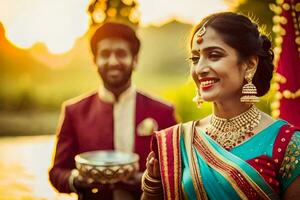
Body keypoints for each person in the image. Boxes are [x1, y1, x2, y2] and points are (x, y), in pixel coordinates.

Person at [142, 12, 300, 200]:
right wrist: (152, 187)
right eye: (195, 59)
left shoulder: (287, 143)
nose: (200, 68)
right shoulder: (178, 142)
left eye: (214, 55)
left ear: (249, 65)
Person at [49, 22, 177, 200]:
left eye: (121, 54)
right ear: (95, 61)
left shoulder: (163, 111)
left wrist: (147, 180)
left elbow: (179, 171)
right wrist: (78, 179)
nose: (113, 62)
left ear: (135, 60)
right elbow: (56, 172)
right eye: (105, 54)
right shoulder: (74, 111)